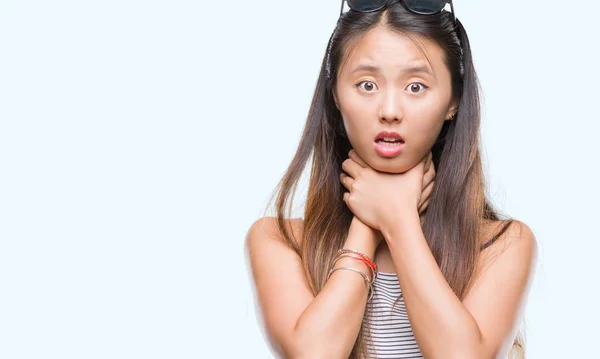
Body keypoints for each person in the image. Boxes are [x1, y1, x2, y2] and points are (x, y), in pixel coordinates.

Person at [245, 0, 538, 358]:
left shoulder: (501, 246)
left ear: (453, 101)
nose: (389, 111)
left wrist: (399, 221)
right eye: (367, 85)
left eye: (415, 87)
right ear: (336, 94)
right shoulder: (279, 241)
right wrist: (367, 224)